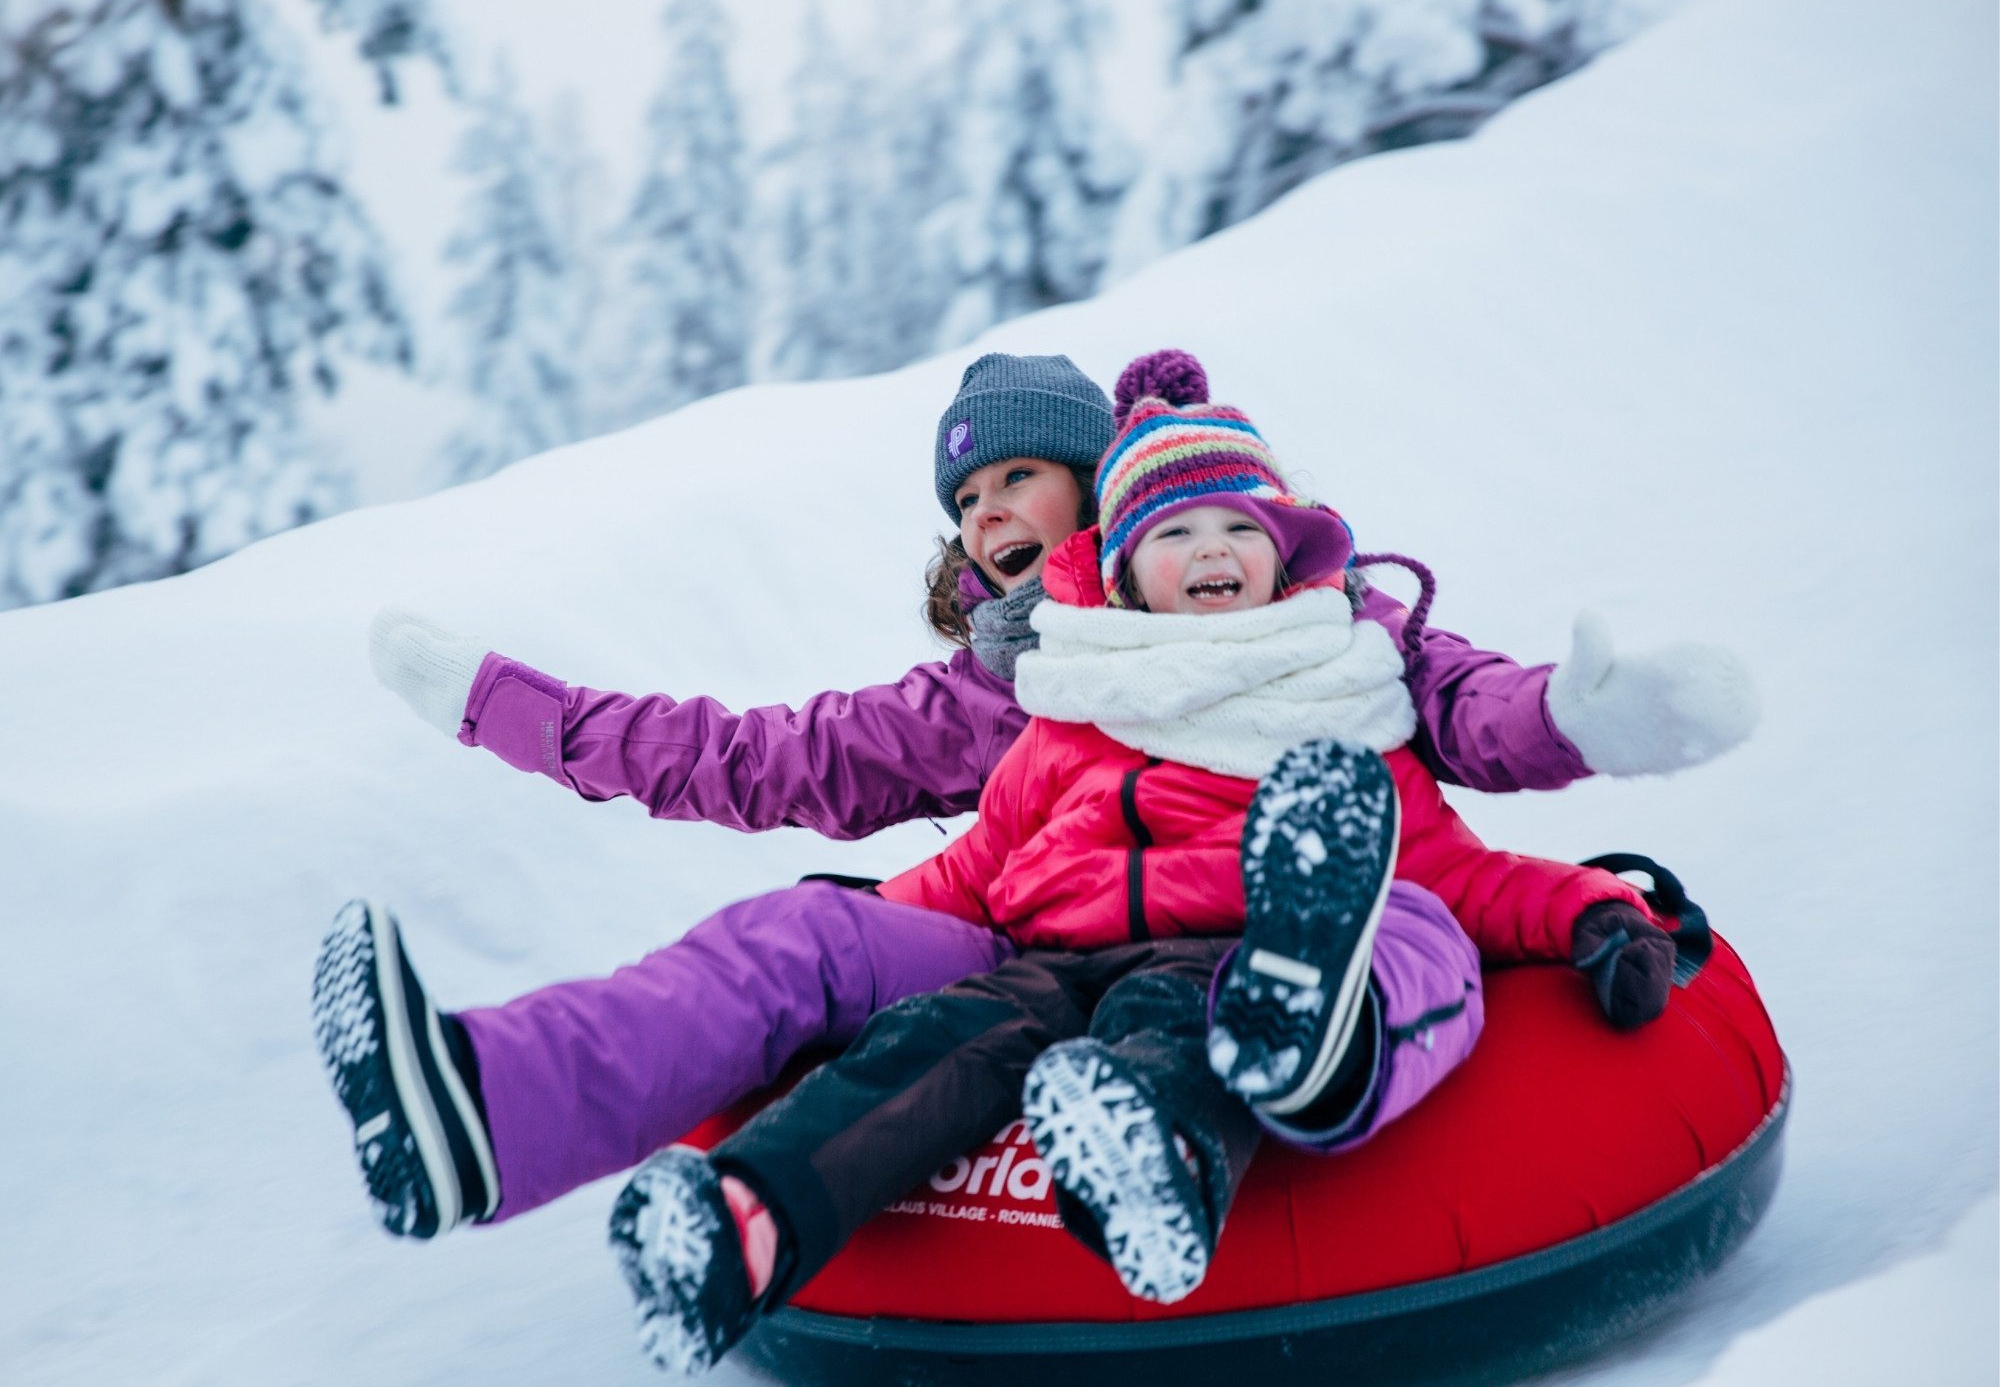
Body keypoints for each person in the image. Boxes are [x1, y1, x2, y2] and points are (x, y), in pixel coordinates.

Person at [327, 350, 1753, 1240]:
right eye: (967, 503)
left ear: (1106, 493)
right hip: (1033, 943)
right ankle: (486, 1109)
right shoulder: (1008, 687)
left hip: (1244, 938)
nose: (992, 516)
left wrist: (1581, 716)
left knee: (1391, 932)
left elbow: (1465, 710)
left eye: (1022, 476)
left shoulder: (1324, 626)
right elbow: (755, 758)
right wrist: (505, 705)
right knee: (804, 936)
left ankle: (1299, 1046)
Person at [600, 392, 1747, 1376]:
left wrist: (1592, 910)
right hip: (1052, 958)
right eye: (1174, 531)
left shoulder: (1343, 691)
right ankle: (741, 1224)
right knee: (941, 1040)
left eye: (1236, 528)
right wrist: (855, 931)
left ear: (1284, 556)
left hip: (1225, 950)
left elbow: (1454, 872)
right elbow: (978, 866)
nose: (1210, 549)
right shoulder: (1076, 706)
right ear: (1124, 578)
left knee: (1175, 1021)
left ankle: (1160, 1159)